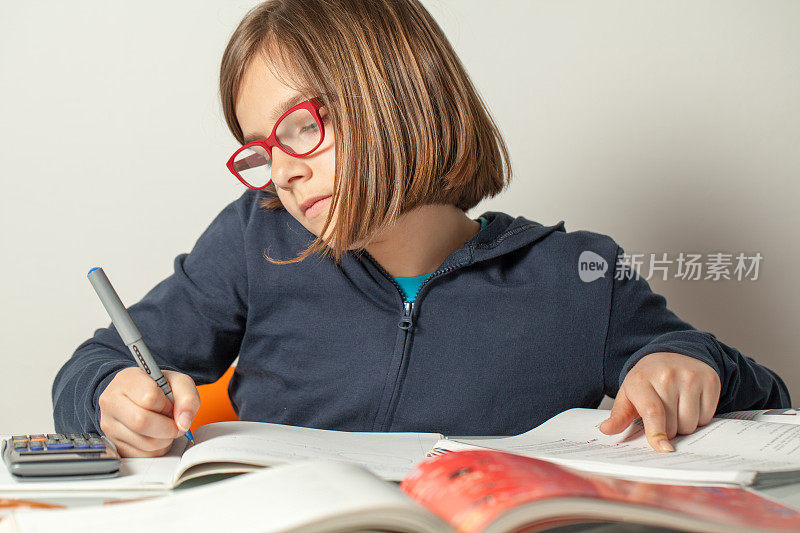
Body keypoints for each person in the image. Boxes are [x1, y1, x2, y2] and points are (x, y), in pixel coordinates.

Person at [52, 0, 790, 458]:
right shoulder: (256, 240)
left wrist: (691, 368)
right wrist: (109, 393)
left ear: (399, 100)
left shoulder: (576, 275)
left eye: (303, 126)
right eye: (261, 149)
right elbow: (91, 365)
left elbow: (763, 394)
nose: (282, 172)